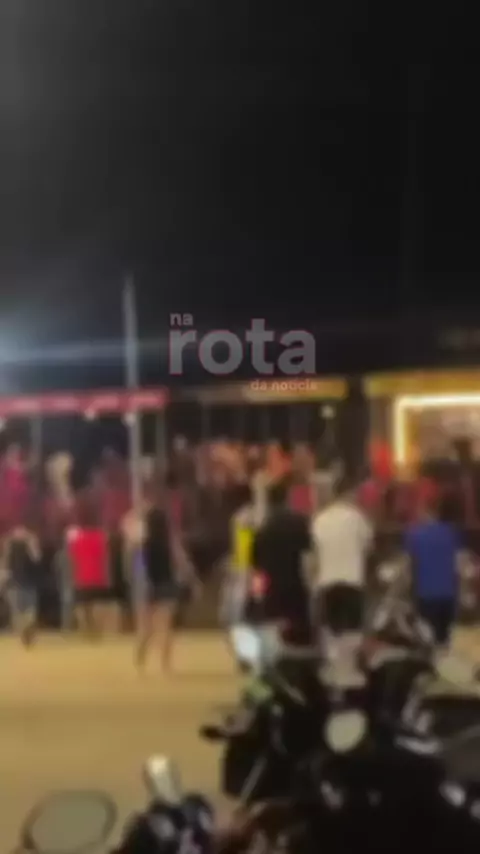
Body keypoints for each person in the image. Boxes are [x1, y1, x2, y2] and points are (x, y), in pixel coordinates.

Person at [311, 477, 373, 668]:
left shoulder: (320, 519)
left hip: (327, 583)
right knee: (353, 635)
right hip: (352, 581)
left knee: (330, 635)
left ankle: (333, 671)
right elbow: (368, 546)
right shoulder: (358, 518)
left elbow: (313, 553)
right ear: (349, 494)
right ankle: (349, 671)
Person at [132, 498, 200, 673]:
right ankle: (165, 665)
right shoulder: (170, 541)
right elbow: (182, 562)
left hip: (148, 584)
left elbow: (138, 565)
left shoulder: (142, 542)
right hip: (166, 582)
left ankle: (140, 661)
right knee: (165, 627)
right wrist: (193, 580)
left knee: (145, 628)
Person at [248, 480, 312, 645]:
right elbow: (309, 558)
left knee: (274, 638)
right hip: (297, 588)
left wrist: (256, 597)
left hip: (272, 591)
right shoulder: (300, 524)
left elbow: (256, 569)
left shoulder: (262, 530)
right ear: (288, 498)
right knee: (299, 639)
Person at [404, 501, 462, 650]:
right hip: (448, 595)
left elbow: (409, 565)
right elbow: (459, 563)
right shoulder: (452, 532)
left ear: (423, 513)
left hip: (426, 595)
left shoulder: (415, 534)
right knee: (445, 641)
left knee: (428, 641)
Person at [4, 522, 41, 646]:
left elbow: (36, 558)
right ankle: (24, 636)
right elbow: (6, 563)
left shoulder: (29, 545)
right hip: (17, 583)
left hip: (27, 582)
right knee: (20, 612)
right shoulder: (10, 546)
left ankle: (27, 635)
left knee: (29, 612)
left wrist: (32, 543)